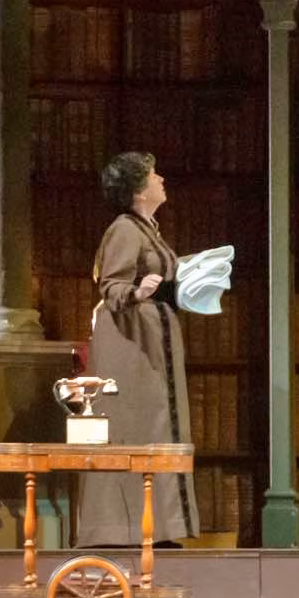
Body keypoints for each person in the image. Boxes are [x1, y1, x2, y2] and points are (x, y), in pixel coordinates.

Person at [76, 151, 200, 546]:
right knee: (141, 423)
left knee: (159, 422)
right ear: (138, 191)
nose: (161, 179)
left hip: (152, 337)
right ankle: (127, 528)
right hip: (133, 344)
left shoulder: (148, 229)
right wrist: (138, 291)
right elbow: (111, 287)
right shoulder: (125, 230)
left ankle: (160, 527)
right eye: (153, 175)